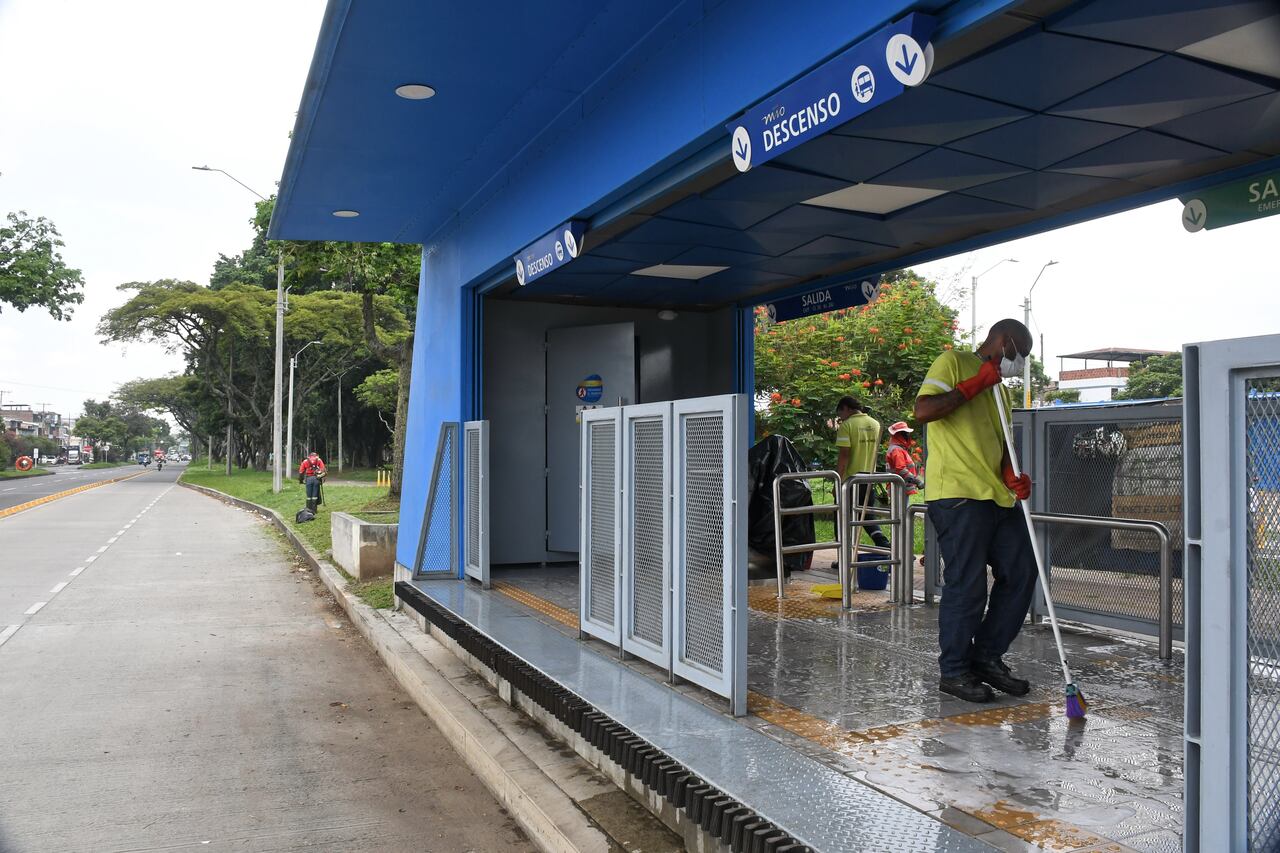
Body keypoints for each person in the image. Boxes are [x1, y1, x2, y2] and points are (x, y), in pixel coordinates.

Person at [913, 319, 1036, 704]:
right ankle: (953, 671)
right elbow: (924, 410)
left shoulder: (1002, 391)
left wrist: (1013, 476)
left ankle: (985, 656)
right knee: (966, 583)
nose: (1019, 362)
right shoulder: (951, 362)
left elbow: (1001, 447)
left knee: (1021, 572)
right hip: (958, 495)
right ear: (1003, 341)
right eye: (1019, 353)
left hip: (996, 497)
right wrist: (975, 384)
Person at [834, 396, 892, 550]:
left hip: (850, 481)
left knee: (841, 518)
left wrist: (838, 482)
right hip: (868, 479)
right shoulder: (875, 424)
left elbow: (844, 456)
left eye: (841, 414)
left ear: (846, 408)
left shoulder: (847, 426)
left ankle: (843, 556)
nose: (841, 418)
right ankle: (884, 544)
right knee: (865, 516)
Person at [884, 421, 922, 496]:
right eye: (906, 433)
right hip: (899, 488)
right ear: (899, 434)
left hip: (901, 487)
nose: (908, 435)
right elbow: (901, 469)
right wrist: (916, 480)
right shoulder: (897, 450)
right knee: (901, 508)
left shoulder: (899, 448)